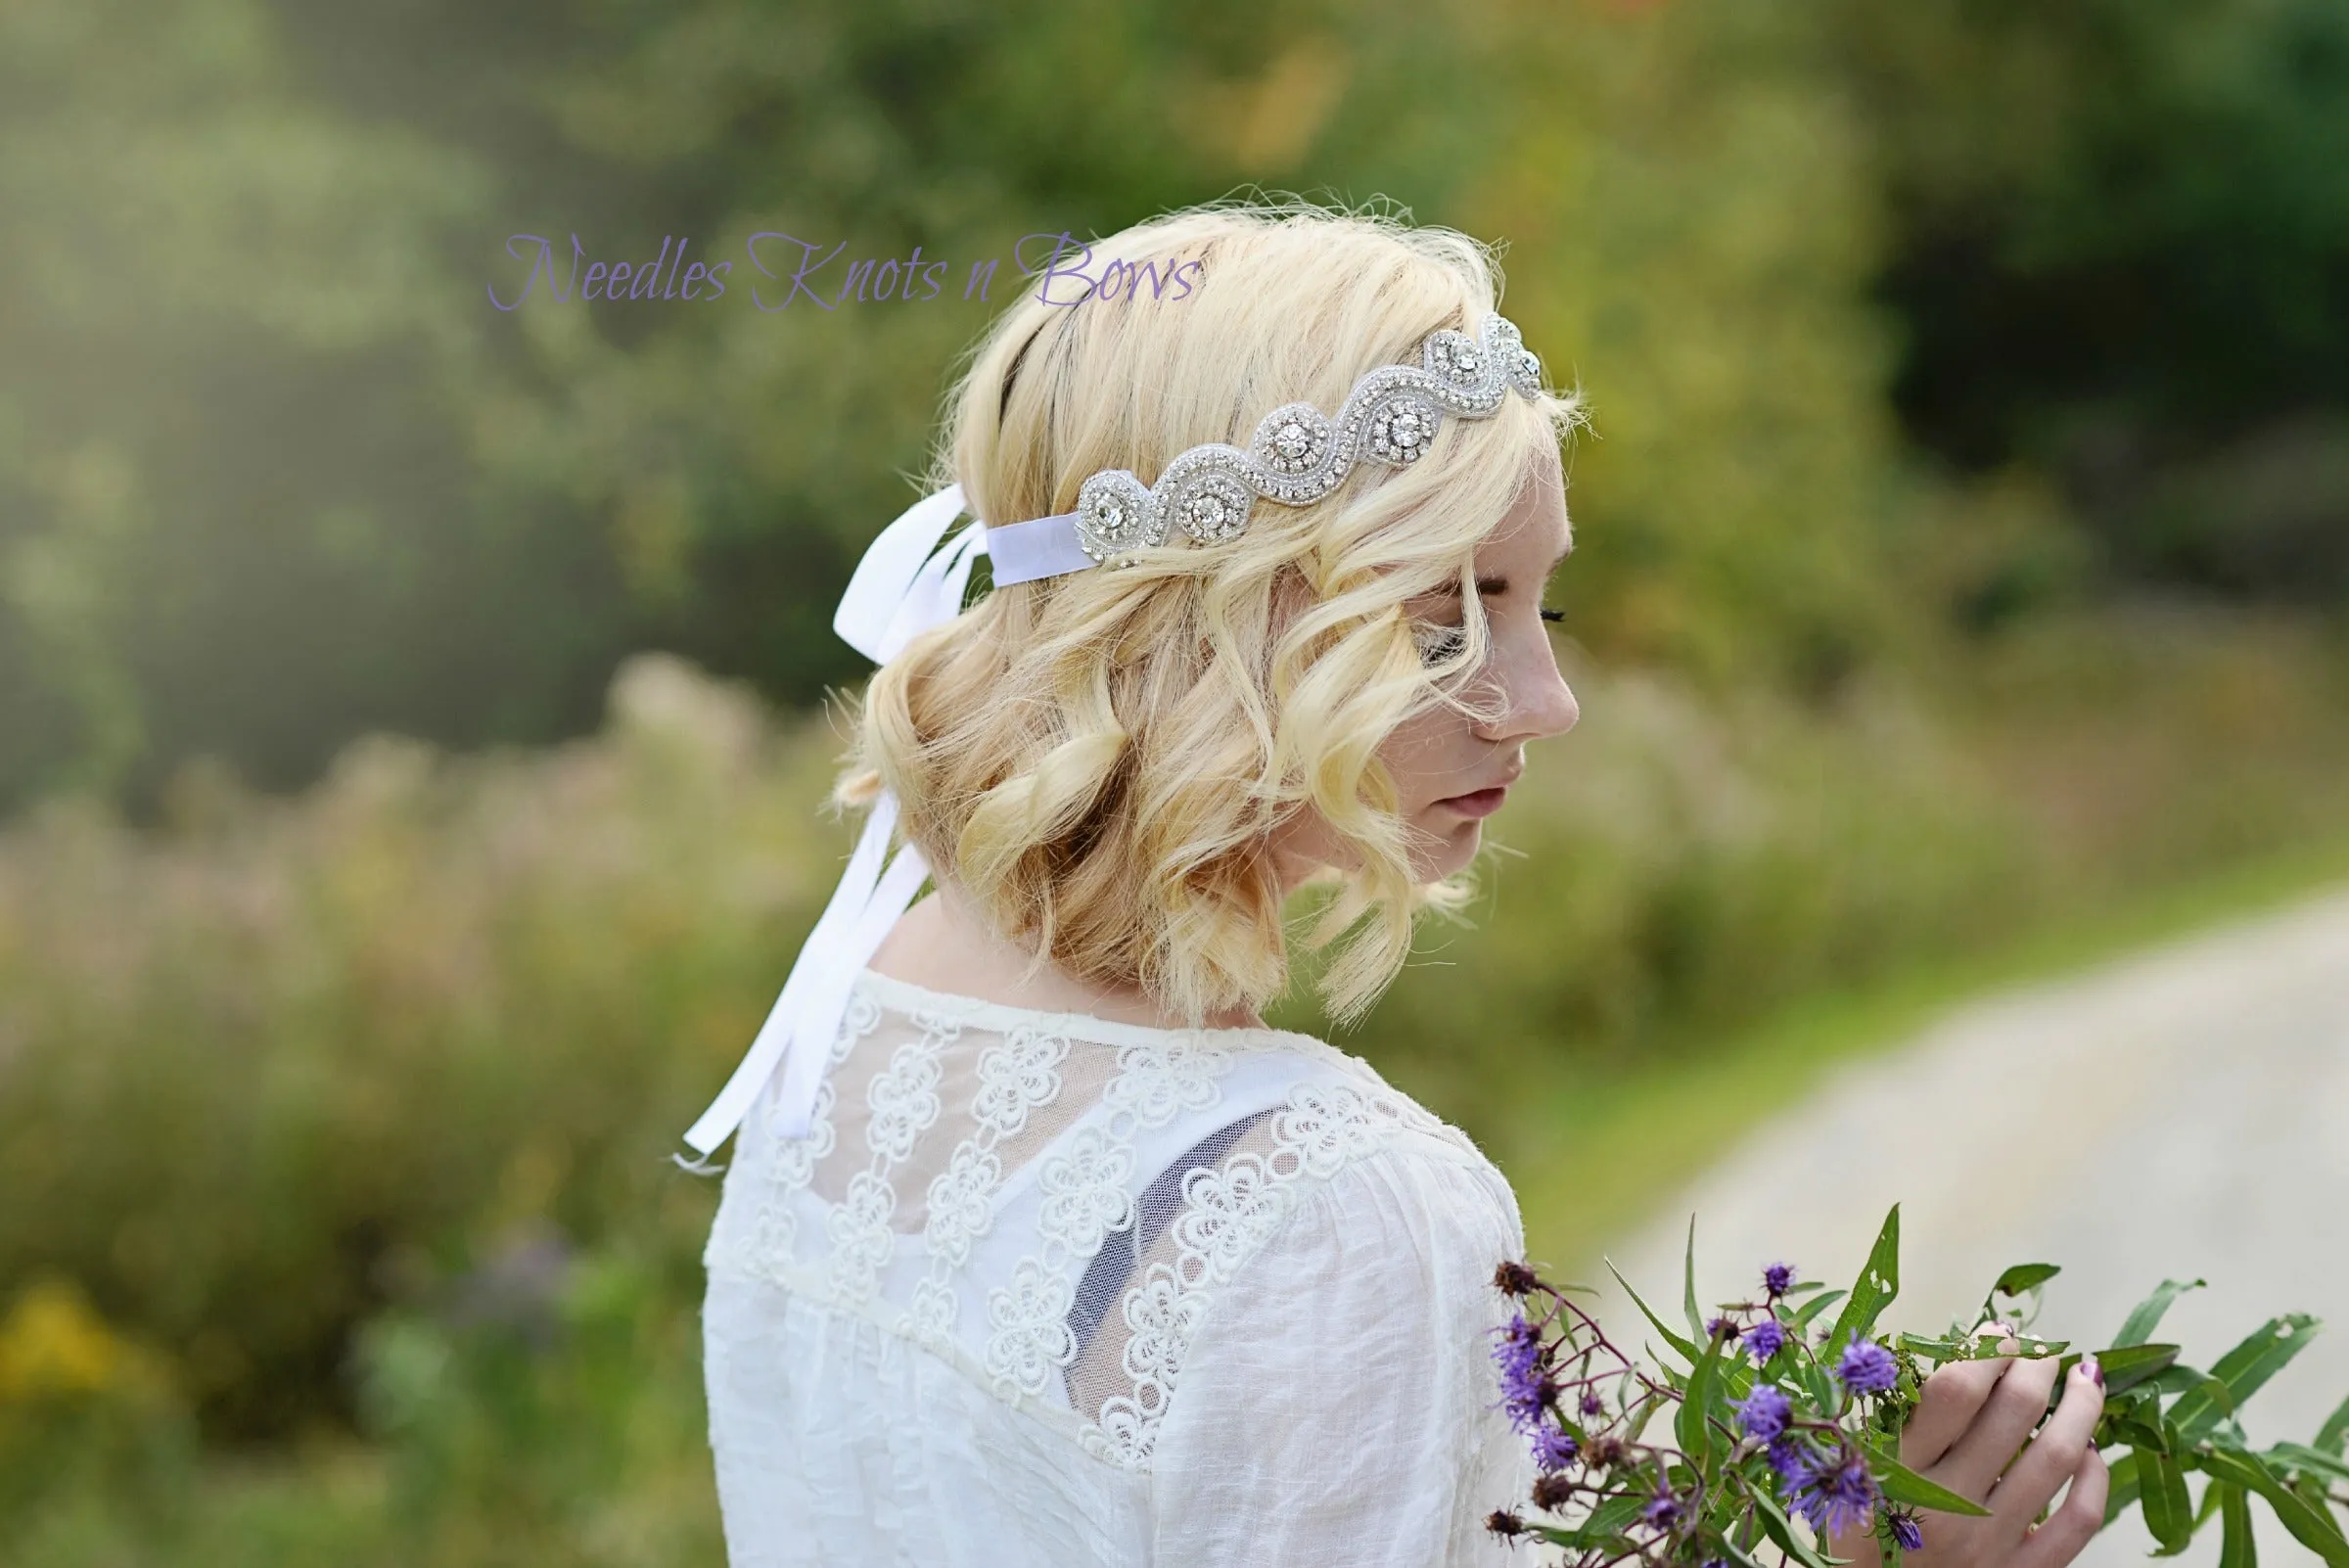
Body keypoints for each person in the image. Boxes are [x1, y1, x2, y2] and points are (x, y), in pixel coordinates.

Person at [685, 201, 2107, 1566]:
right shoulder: (1330, 1212)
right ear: (1209, 638)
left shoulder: (844, 1030)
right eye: (1444, 620)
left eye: (1536, 602)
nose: (1545, 702)